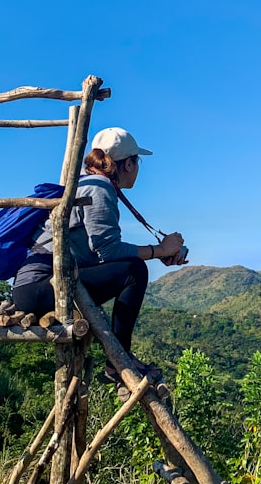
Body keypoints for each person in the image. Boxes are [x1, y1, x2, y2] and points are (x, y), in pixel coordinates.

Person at [11, 127, 186, 382]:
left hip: (38, 284)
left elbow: (100, 251)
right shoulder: (99, 188)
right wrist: (159, 250)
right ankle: (119, 362)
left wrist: (157, 253)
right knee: (135, 271)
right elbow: (108, 251)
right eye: (137, 162)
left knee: (132, 266)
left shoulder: (86, 183)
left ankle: (120, 360)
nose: (138, 168)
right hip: (41, 287)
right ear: (127, 164)